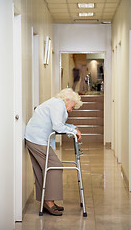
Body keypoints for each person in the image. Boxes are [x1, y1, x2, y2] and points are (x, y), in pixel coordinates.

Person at [24, 88, 83, 216]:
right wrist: (74, 131)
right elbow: (58, 126)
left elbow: (60, 124)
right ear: (67, 100)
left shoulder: (56, 103)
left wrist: (74, 128)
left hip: (34, 137)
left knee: (42, 169)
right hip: (37, 139)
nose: (71, 110)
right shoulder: (58, 105)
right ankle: (49, 202)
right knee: (55, 166)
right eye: (72, 107)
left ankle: (46, 202)